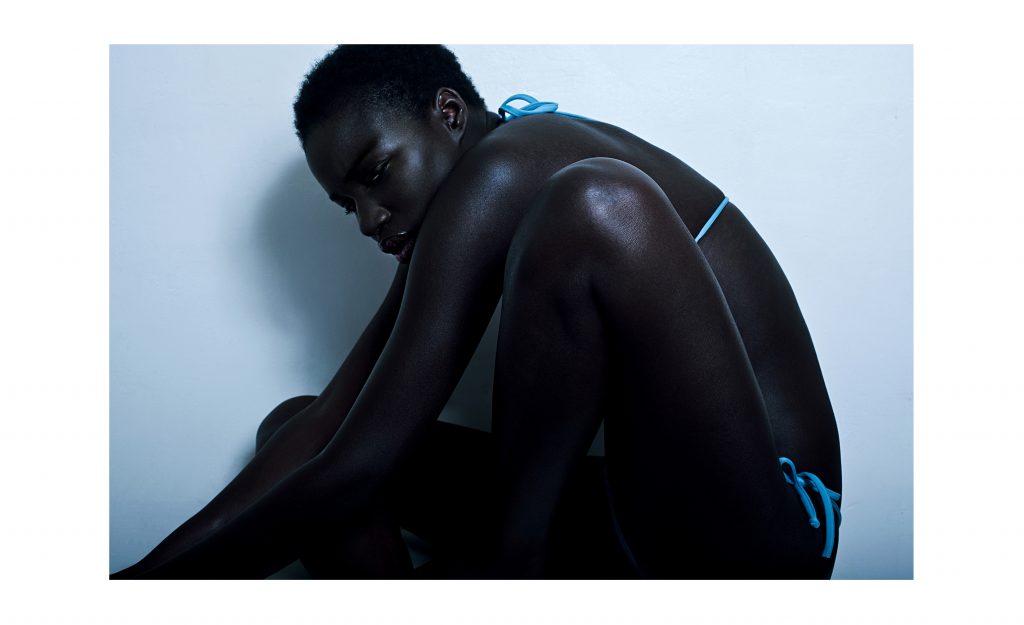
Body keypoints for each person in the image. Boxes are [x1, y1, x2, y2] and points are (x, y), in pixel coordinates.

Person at [111, 44, 842, 579]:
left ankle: (505, 570)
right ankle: (502, 562)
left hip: (766, 528)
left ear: (450, 114)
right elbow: (338, 419)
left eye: (375, 174)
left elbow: (361, 462)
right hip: (630, 508)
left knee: (595, 205)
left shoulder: (505, 165)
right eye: (347, 205)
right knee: (292, 425)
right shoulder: (473, 192)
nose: (368, 218)